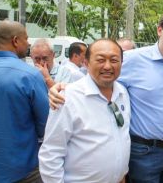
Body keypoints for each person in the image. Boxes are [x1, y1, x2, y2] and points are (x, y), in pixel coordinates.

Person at [48, 9, 163, 183]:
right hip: (145, 152)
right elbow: (99, 75)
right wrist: (63, 88)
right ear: (160, 30)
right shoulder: (132, 59)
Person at [39, 39, 130, 183]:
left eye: (114, 60)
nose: (107, 66)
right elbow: (51, 153)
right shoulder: (67, 98)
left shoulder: (122, 93)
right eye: (100, 60)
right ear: (86, 63)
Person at [0, 20, 49, 183]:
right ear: (15, 41)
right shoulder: (29, 75)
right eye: (26, 38)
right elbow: (46, 125)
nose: (28, 43)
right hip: (20, 168)